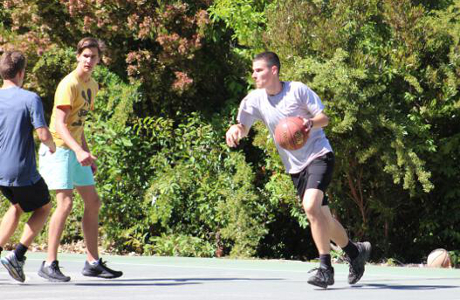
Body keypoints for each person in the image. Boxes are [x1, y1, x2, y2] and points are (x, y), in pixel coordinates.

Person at [225, 51, 371, 288]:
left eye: (259, 70)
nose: (254, 74)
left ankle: (326, 269)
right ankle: (355, 252)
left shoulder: (297, 90)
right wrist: (235, 130)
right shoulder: (254, 100)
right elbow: (243, 126)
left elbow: (324, 118)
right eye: (253, 70)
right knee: (322, 217)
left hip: (319, 154)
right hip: (295, 167)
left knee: (310, 206)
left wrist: (310, 123)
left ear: (274, 70)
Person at [38, 37, 122, 282]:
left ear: (99, 59)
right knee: (65, 204)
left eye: (93, 56)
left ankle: (92, 262)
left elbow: (79, 125)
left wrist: (87, 151)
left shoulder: (93, 85)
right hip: (60, 149)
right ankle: (49, 263)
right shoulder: (69, 84)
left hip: (75, 150)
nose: (89, 60)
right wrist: (77, 150)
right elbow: (61, 126)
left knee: (93, 202)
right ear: (78, 57)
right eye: (85, 56)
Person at [0, 51, 56, 282]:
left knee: (17, 206)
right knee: (44, 207)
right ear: (22, 73)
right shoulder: (30, 98)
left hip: (0, 172)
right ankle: (17, 255)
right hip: (20, 170)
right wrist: (53, 146)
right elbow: (43, 134)